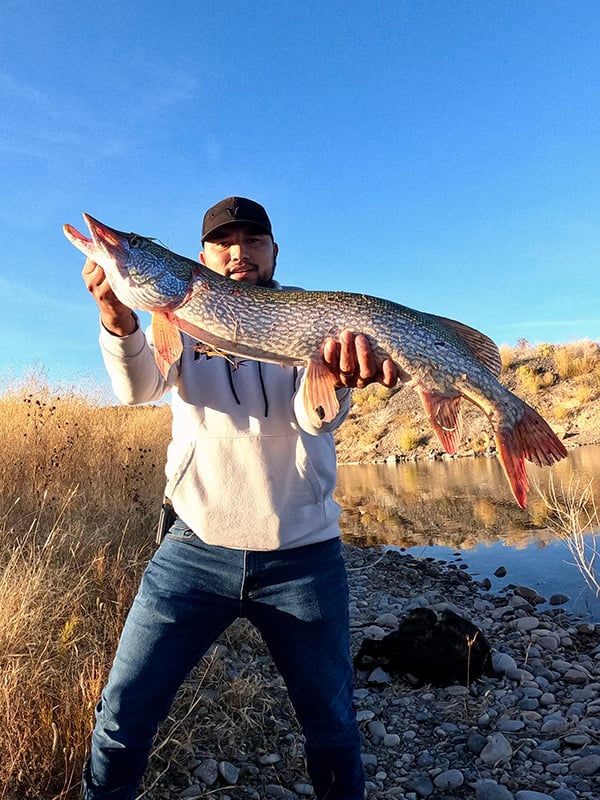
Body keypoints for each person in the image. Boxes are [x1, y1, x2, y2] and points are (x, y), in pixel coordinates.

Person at [80, 196, 398, 800]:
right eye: (224, 242)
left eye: (254, 240)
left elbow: (316, 417)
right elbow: (140, 388)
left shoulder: (314, 321)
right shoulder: (176, 317)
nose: (238, 251)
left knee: (331, 727)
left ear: (274, 253)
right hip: (193, 550)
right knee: (122, 715)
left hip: (303, 558)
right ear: (199, 259)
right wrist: (119, 322)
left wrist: (340, 378)